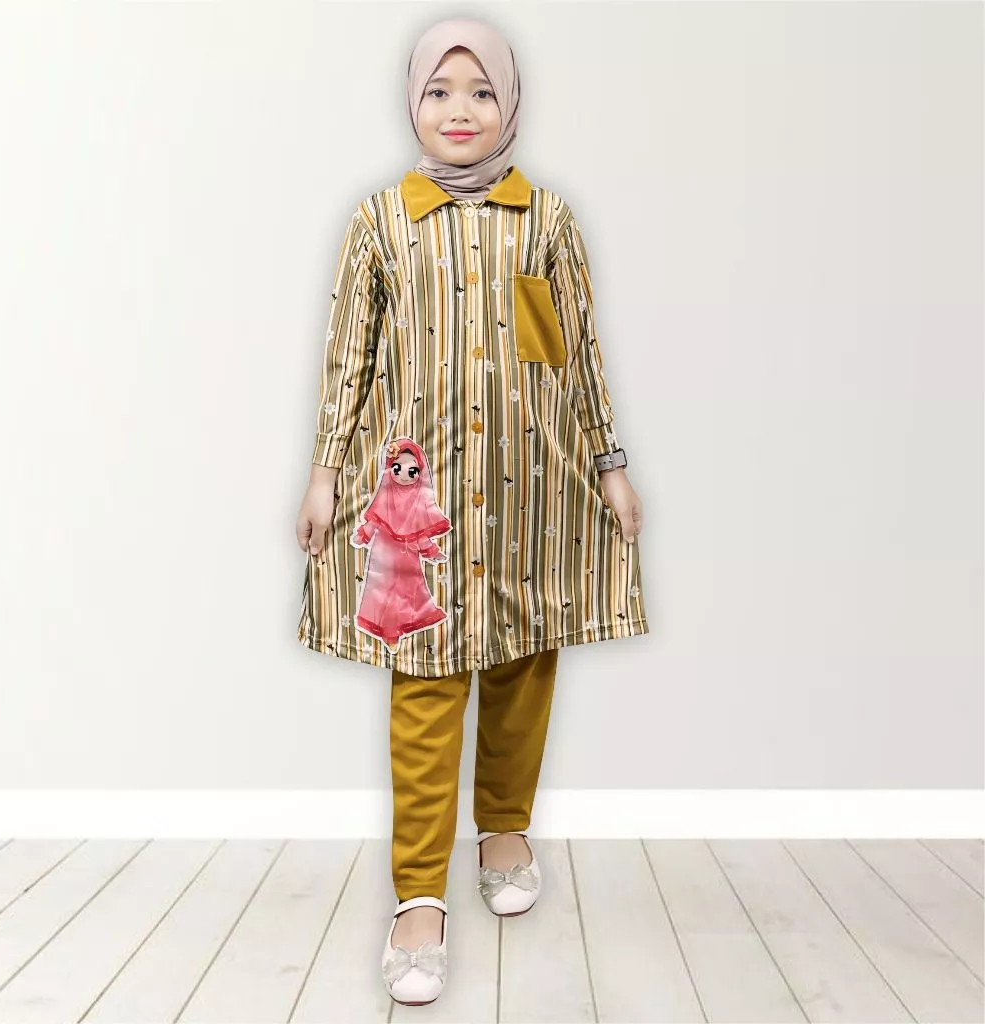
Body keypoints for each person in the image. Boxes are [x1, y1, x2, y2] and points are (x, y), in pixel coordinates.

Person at [294, 15, 648, 1006]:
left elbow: (571, 352)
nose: (461, 109)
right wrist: (323, 472)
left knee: (524, 663)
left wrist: (609, 466)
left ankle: (503, 828)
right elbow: (348, 360)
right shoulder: (380, 223)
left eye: (482, 91)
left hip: (533, 489)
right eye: (440, 91)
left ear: (511, 104)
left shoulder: (546, 221)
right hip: (424, 502)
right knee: (424, 681)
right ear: (412, 103)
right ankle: (418, 898)